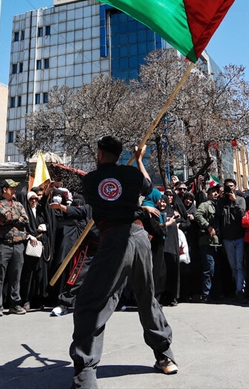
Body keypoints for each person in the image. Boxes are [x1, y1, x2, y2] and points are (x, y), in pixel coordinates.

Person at [70, 137, 176, 388]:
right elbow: (148, 187)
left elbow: (102, 198)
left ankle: (85, 371)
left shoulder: (90, 180)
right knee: (146, 296)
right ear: (119, 154)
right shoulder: (130, 173)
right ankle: (165, 356)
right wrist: (138, 161)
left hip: (115, 239)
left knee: (91, 302)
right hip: (139, 238)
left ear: (99, 153)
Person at [0, 178, 30, 317]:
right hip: (2, 244)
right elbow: (4, 216)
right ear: (4, 189)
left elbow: (26, 219)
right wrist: (16, 218)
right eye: (11, 188)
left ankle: (15, 303)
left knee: (16, 275)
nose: (14, 191)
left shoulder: (18, 204)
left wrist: (13, 218)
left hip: (18, 244)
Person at [217, 178, 247, 300]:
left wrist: (234, 201)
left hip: (239, 237)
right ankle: (237, 287)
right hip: (227, 238)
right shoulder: (222, 201)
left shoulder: (241, 200)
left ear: (235, 187)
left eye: (231, 186)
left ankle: (241, 290)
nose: (230, 188)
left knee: (240, 265)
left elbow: (243, 216)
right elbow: (218, 216)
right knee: (233, 266)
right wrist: (221, 198)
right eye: (227, 186)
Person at [194, 183, 222, 302]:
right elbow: (198, 215)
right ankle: (206, 294)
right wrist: (208, 226)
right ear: (208, 194)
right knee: (209, 269)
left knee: (217, 270)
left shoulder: (220, 205)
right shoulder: (205, 205)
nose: (216, 194)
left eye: (217, 192)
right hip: (207, 241)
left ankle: (216, 294)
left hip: (219, 242)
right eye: (213, 192)